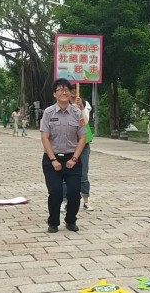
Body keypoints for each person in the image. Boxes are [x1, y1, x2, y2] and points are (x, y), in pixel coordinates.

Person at [41, 78, 87, 233]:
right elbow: (45, 137)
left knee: (74, 193)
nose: (64, 92)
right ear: (54, 94)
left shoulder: (77, 112)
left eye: (66, 89)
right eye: (60, 89)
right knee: (55, 192)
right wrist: (53, 159)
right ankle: (53, 221)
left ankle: (71, 220)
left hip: (72, 159)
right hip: (52, 160)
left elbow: (83, 137)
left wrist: (74, 158)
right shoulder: (48, 112)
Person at [61, 84, 94, 212]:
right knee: (64, 174)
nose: (73, 94)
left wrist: (81, 108)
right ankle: (65, 200)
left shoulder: (85, 104)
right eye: (71, 91)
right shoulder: (63, 106)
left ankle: (85, 200)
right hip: (68, 145)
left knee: (83, 173)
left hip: (83, 143)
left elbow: (85, 122)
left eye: (75, 91)